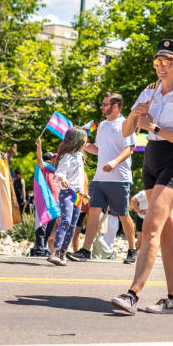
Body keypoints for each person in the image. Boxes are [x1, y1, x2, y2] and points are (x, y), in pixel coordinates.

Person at [111, 38, 173, 315]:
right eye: (157, 62)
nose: (160, 66)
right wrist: (135, 115)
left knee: (149, 228)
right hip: (151, 157)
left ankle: (132, 294)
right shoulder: (149, 91)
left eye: (166, 62)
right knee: (168, 235)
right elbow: (127, 131)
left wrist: (156, 127)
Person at [68, 93, 137, 264]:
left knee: (123, 214)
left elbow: (130, 149)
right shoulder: (102, 125)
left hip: (119, 179)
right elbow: (98, 149)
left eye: (104, 104)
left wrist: (114, 162)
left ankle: (132, 250)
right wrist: (81, 144)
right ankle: (85, 251)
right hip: (99, 178)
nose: (101, 107)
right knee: (93, 213)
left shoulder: (126, 124)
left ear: (115, 106)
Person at [47, 128, 87, 266]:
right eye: (84, 140)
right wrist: (62, 178)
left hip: (77, 195)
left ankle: (63, 253)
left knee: (73, 224)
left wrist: (83, 192)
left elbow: (78, 177)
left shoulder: (80, 156)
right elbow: (60, 172)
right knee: (65, 220)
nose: (86, 142)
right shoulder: (67, 156)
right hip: (67, 193)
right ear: (78, 141)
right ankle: (56, 251)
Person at [30, 140, 60, 257]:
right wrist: (39, 146)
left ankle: (43, 246)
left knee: (50, 227)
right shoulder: (45, 168)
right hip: (44, 202)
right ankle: (39, 247)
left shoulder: (59, 173)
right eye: (55, 158)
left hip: (55, 204)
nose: (56, 160)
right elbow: (39, 158)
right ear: (51, 159)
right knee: (42, 225)